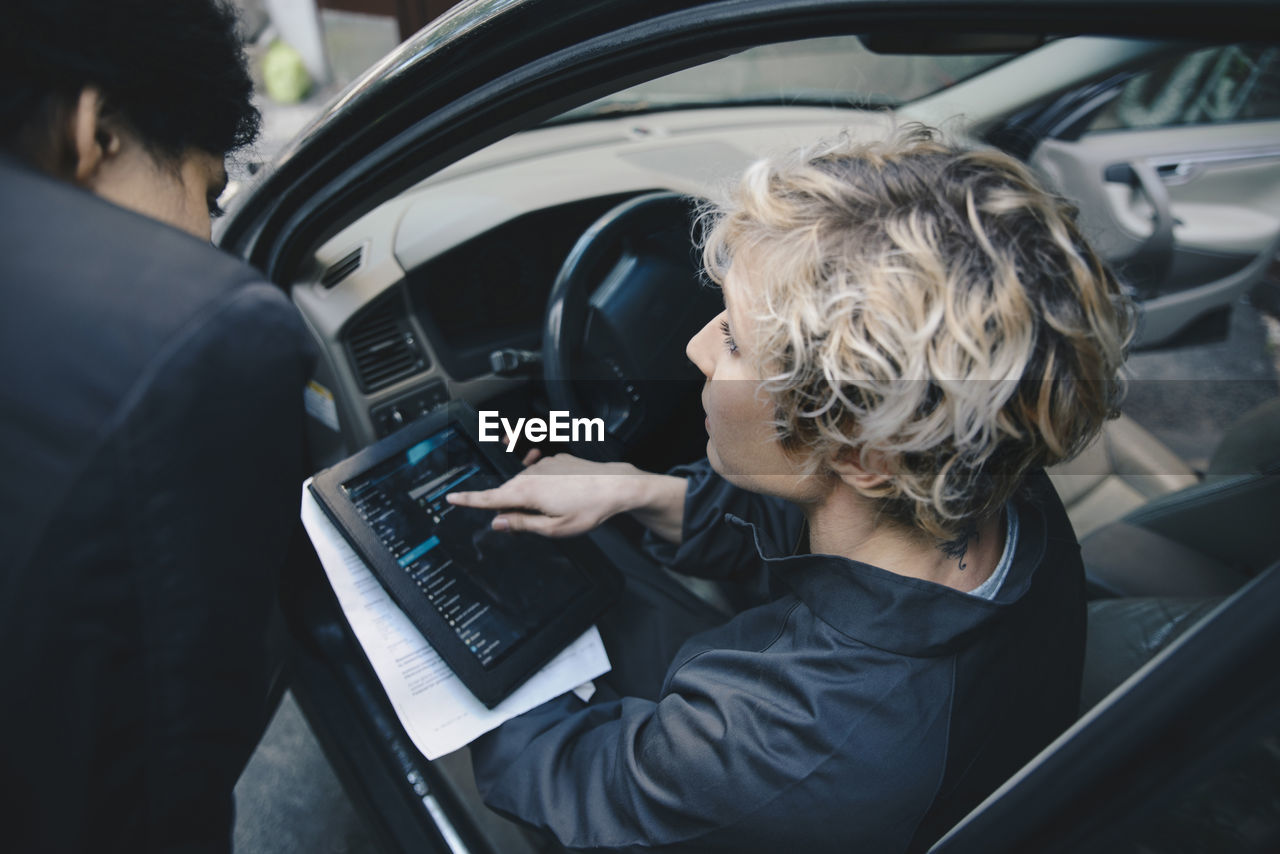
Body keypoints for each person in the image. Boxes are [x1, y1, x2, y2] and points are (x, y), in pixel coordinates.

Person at [448, 125, 1135, 852]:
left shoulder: (791, 745)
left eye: (738, 341)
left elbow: (571, 783)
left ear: (865, 454)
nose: (697, 347)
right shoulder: (991, 465)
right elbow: (796, 505)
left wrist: (461, 630)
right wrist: (636, 490)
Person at [0, 2, 314, 850]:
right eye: (208, 194)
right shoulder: (189, 346)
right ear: (93, 131)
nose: (212, 244)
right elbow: (157, 792)